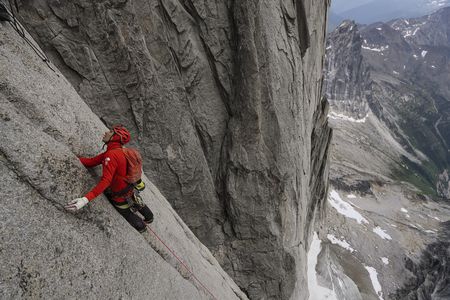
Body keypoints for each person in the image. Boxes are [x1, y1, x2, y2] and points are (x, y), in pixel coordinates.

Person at [65, 125, 154, 233]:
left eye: (110, 131)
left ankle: (141, 227)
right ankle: (149, 217)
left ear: (116, 137)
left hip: (118, 194)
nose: (106, 132)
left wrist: (84, 200)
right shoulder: (120, 151)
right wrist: (71, 156)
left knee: (126, 212)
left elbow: (106, 181)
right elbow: (91, 162)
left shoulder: (111, 155)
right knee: (135, 200)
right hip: (130, 187)